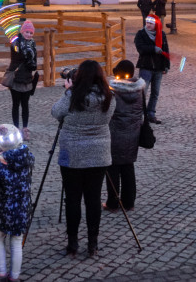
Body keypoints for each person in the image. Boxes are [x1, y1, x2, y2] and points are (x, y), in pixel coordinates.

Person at [50, 60, 115, 257]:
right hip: (99, 154)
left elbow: (55, 112)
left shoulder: (72, 96)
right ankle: (93, 244)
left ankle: (72, 244)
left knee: (72, 199)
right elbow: (109, 118)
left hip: (73, 155)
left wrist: (67, 91)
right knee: (94, 199)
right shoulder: (109, 97)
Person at [0, 124, 34, 282]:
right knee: (16, 242)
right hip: (21, 209)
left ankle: (1, 272)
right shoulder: (28, 160)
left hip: (2, 210)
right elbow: (15, 157)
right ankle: (15, 276)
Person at [105, 59, 145, 212]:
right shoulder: (139, 89)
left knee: (113, 168)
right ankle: (129, 203)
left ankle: (112, 203)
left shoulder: (112, 91)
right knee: (128, 167)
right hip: (133, 134)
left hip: (115, 134)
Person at [134, 15, 170, 124]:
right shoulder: (141, 34)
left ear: (156, 25)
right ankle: (139, 115)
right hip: (146, 67)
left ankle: (151, 114)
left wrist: (166, 65)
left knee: (155, 93)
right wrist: (153, 49)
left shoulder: (162, 34)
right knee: (142, 93)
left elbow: (166, 50)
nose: (148, 25)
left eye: (151, 23)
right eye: (147, 23)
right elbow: (140, 48)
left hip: (158, 68)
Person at [4, 20, 37, 132]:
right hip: (17, 78)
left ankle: (25, 128)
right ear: (22, 31)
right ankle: (16, 128)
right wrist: (26, 57)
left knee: (25, 105)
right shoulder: (16, 43)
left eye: (31, 33)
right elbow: (16, 58)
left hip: (27, 78)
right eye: (26, 32)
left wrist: (32, 63)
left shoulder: (33, 44)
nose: (28, 34)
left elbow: (34, 62)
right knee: (16, 104)